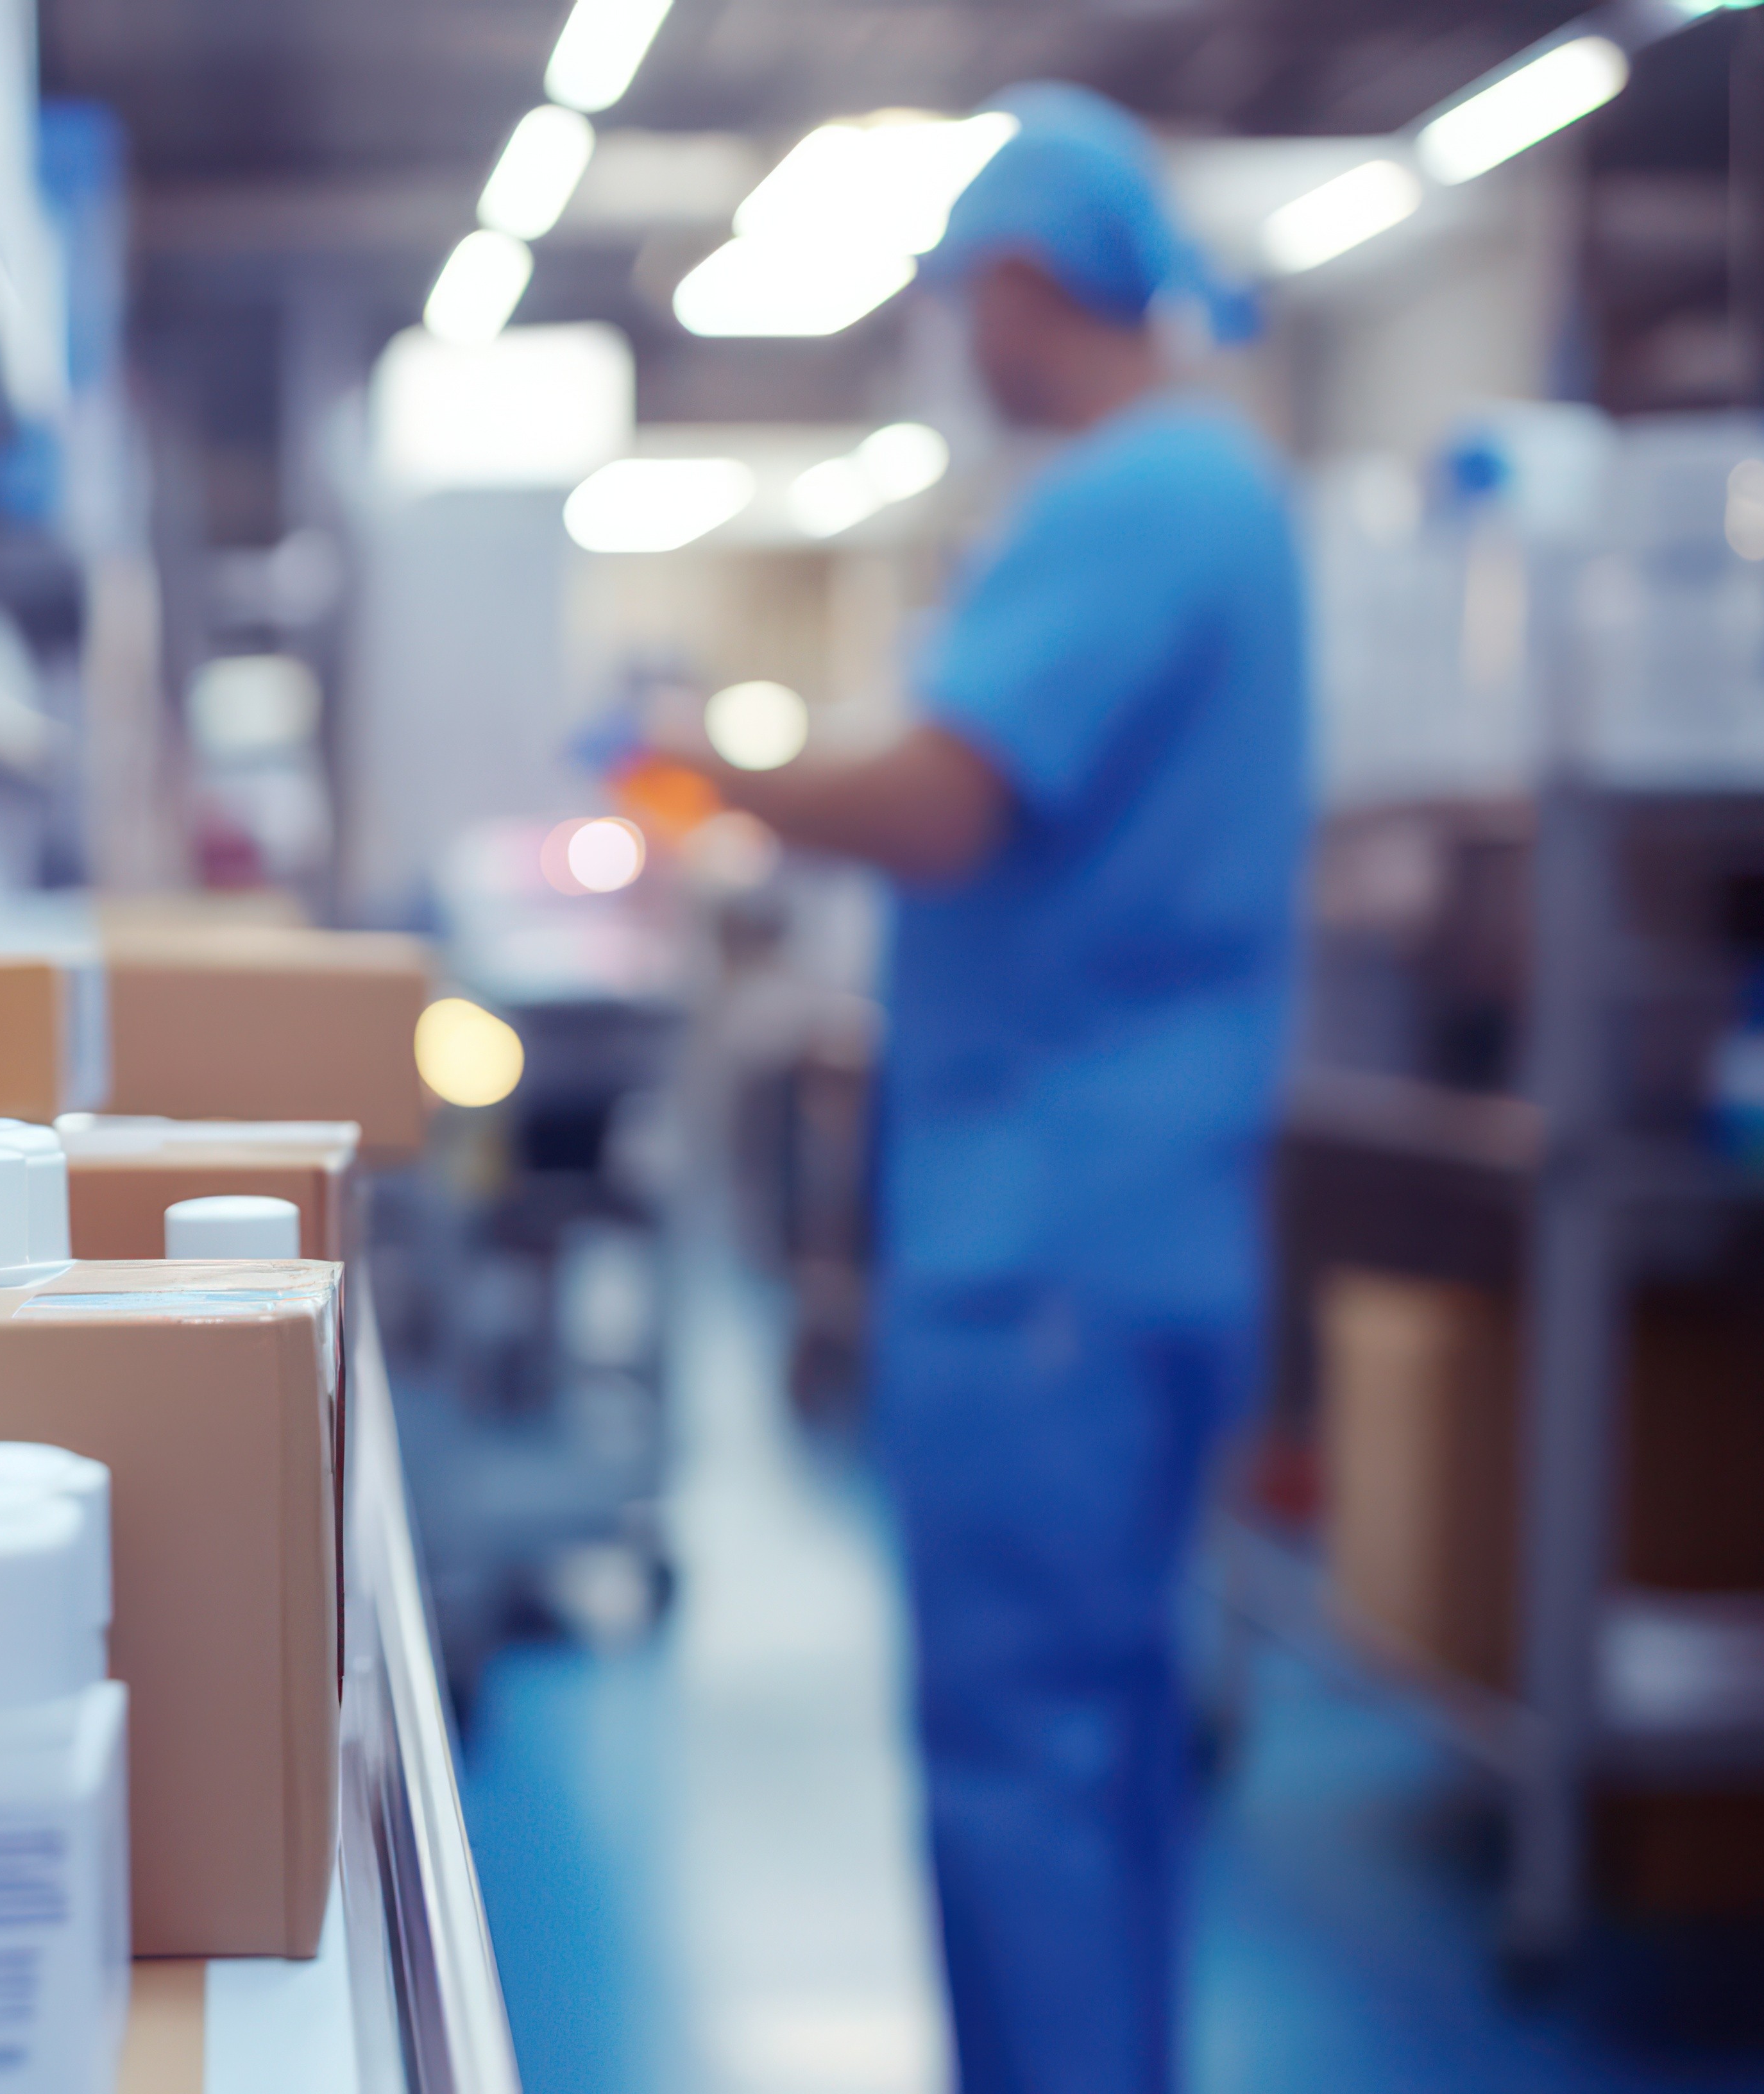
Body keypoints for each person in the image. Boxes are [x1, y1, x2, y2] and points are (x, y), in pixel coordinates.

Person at [654, 84, 1309, 2094]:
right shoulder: (1225, 499)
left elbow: (945, 796)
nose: (963, 343)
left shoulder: (1138, 499)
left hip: (1043, 1246)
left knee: (1020, 1756)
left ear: (1028, 286)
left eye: (964, 300)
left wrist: (707, 761)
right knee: (1104, 1744)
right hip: (1147, 1226)